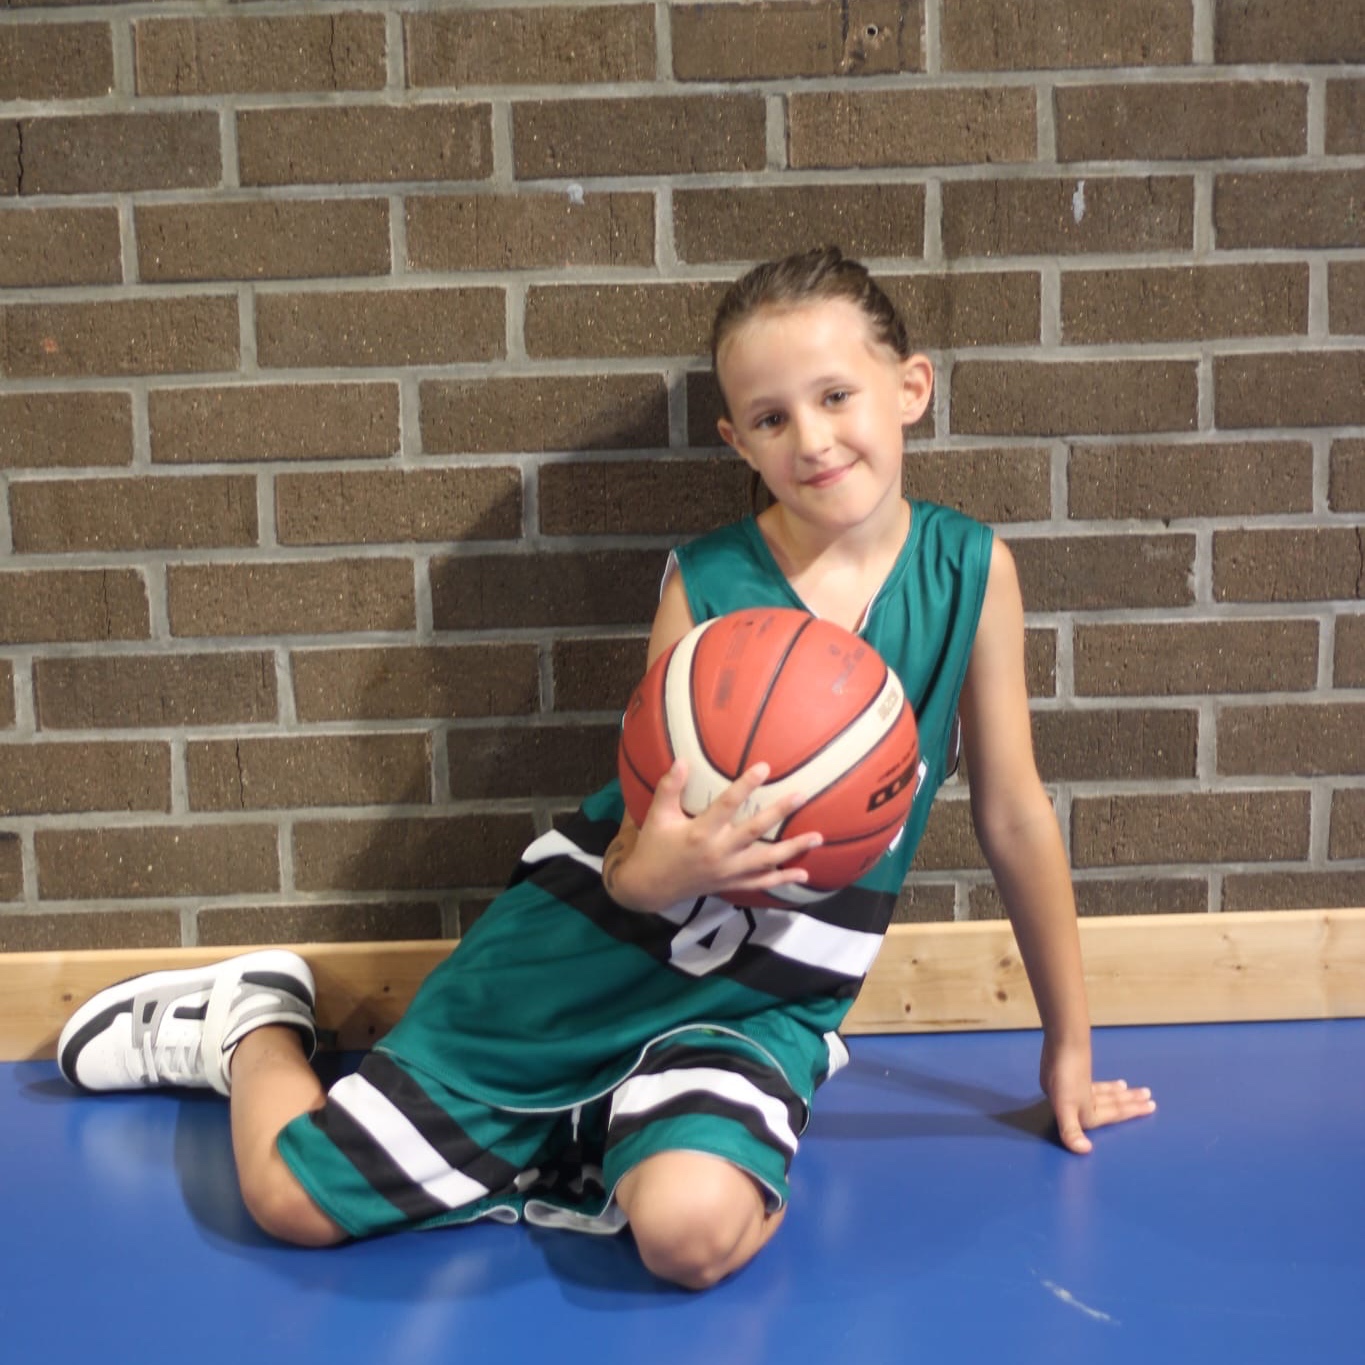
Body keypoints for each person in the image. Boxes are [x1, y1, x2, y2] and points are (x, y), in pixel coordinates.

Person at [57, 247, 1155, 1290]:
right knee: (290, 1199)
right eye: (772, 417)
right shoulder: (706, 583)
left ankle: (627, 1133)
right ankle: (252, 1021)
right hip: (587, 961)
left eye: (836, 396)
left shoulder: (971, 571)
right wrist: (673, 870)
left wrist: (1066, 1044)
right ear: (736, 440)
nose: (812, 438)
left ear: (910, 388)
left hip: (748, 1007)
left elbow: (1013, 815)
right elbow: (634, 860)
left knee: (690, 1237)